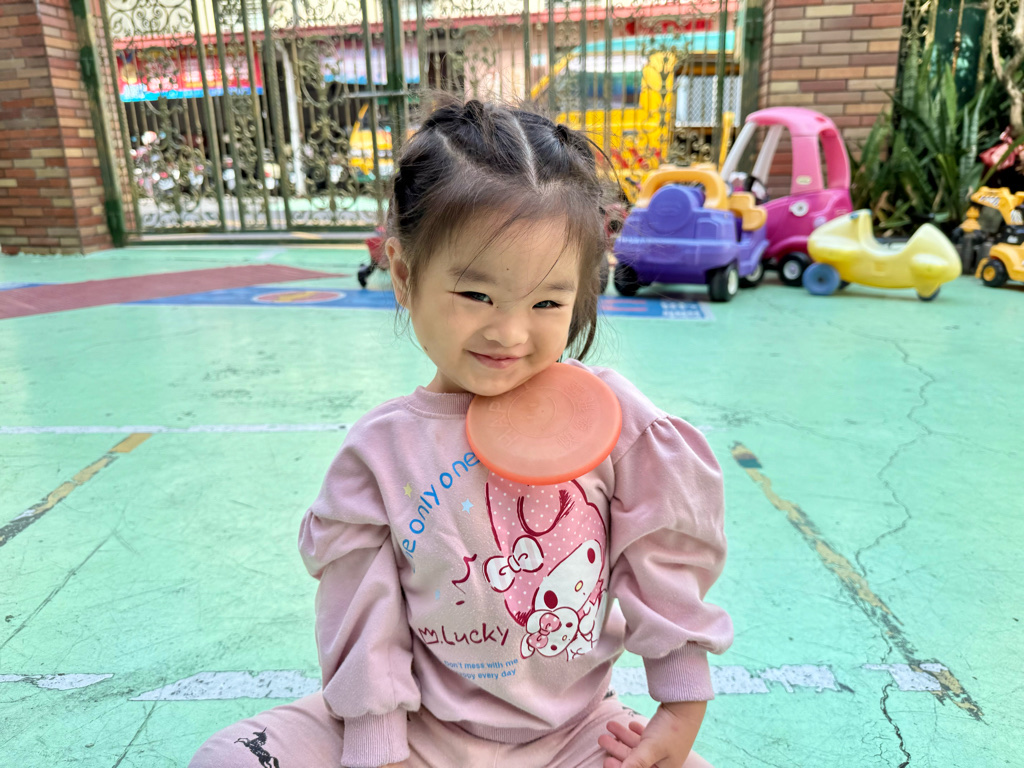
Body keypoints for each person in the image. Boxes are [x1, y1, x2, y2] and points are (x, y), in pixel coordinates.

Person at [190, 98, 733, 768]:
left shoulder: (617, 425)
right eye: (476, 295)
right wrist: (380, 751)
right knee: (231, 760)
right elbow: (363, 617)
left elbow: (663, 566)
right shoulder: (381, 453)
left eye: (547, 302)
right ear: (404, 274)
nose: (509, 332)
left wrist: (677, 717)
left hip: (574, 736)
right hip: (415, 731)